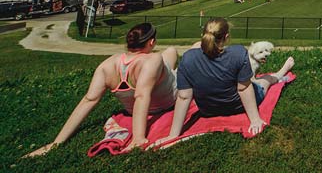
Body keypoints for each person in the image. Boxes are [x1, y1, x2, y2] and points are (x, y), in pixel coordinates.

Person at [27, 23, 177, 157]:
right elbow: (141, 95)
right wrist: (138, 138)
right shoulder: (153, 59)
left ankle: (56, 143)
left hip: (136, 104)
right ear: (151, 42)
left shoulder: (107, 65)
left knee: (169, 54)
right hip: (167, 100)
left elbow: (89, 100)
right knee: (171, 51)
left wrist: (57, 142)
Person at [161, 18, 294, 141]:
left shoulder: (188, 58)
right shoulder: (238, 53)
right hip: (237, 106)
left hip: (208, 110)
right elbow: (244, 88)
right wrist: (255, 119)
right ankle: (281, 72)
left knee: (253, 81)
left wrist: (173, 134)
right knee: (264, 81)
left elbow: (184, 97)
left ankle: (277, 74)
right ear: (226, 37)